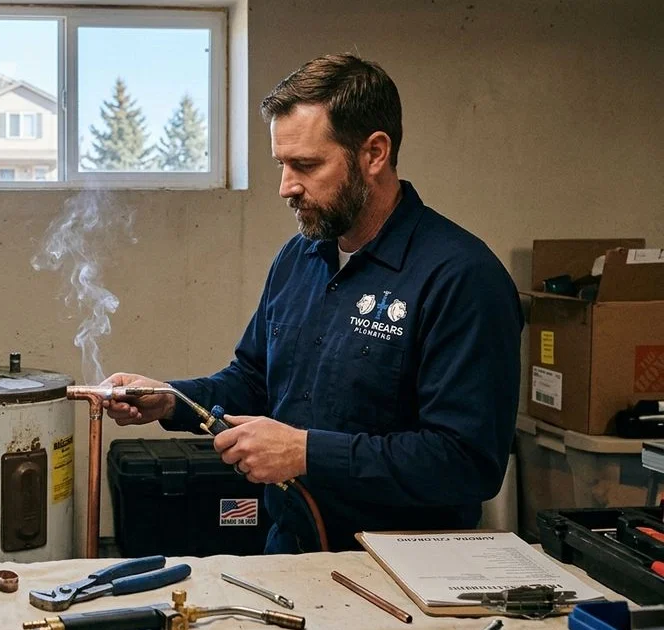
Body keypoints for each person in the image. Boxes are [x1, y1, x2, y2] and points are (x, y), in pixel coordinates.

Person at [102, 53, 523, 553]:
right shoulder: (299, 258)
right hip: (290, 549)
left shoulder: (462, 278)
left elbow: (467, 464)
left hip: (404, 569)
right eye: (282, 164)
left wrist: (306, 453)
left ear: (374, 154)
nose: (286, 188)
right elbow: (255, 381)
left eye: (306, 165)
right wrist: (171, 399)